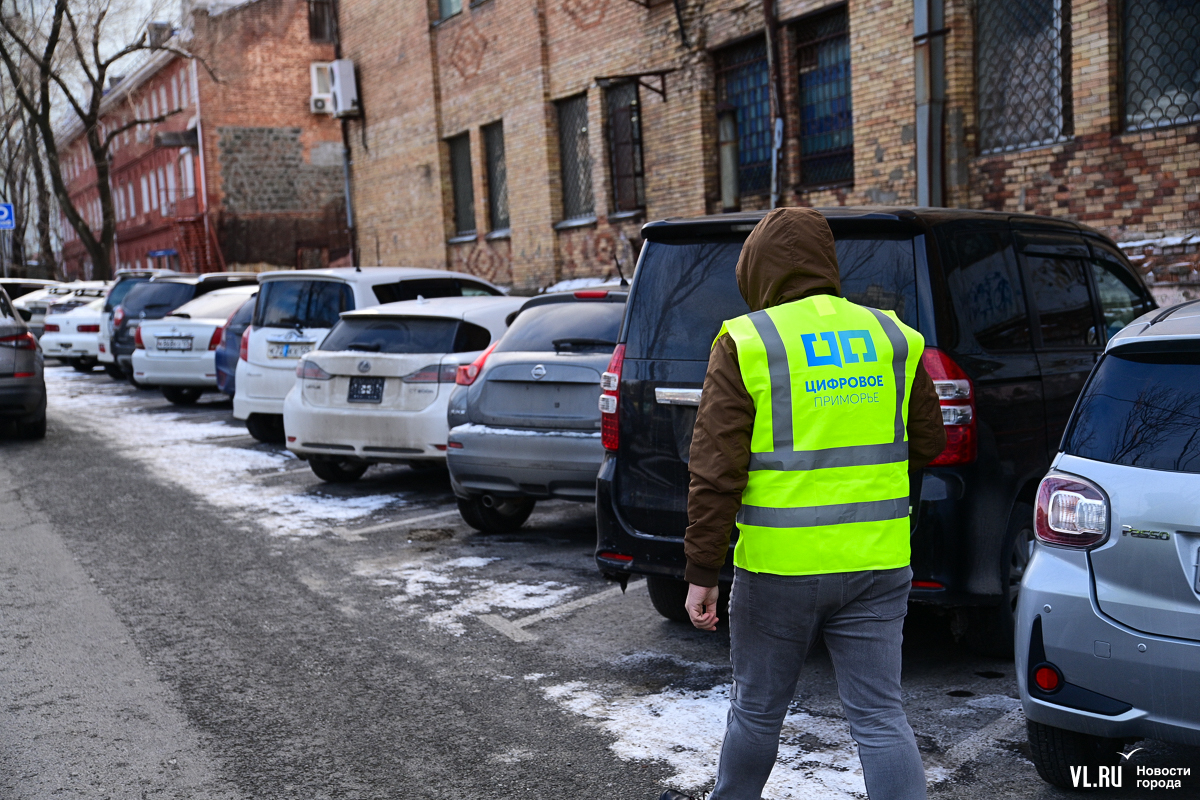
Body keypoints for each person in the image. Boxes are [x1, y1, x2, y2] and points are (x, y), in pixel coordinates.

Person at [664, 208, 946, 800]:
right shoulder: (892, 335)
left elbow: (716, 472)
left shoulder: (748, 341)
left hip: (779, 569)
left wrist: (701, 571)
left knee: (758, 712)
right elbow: (929, 441)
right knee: (879, 717)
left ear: (758, 270)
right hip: (877, 561)